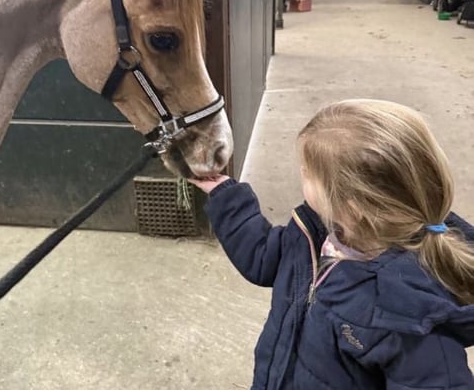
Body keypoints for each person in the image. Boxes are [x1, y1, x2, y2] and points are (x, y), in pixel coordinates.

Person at [190, 99, 474, 389]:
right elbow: (264, 256)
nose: (301, 174)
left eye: (307, 173)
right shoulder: (317, 235)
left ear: (351, 208)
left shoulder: (408, 315)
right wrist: (226, 197)